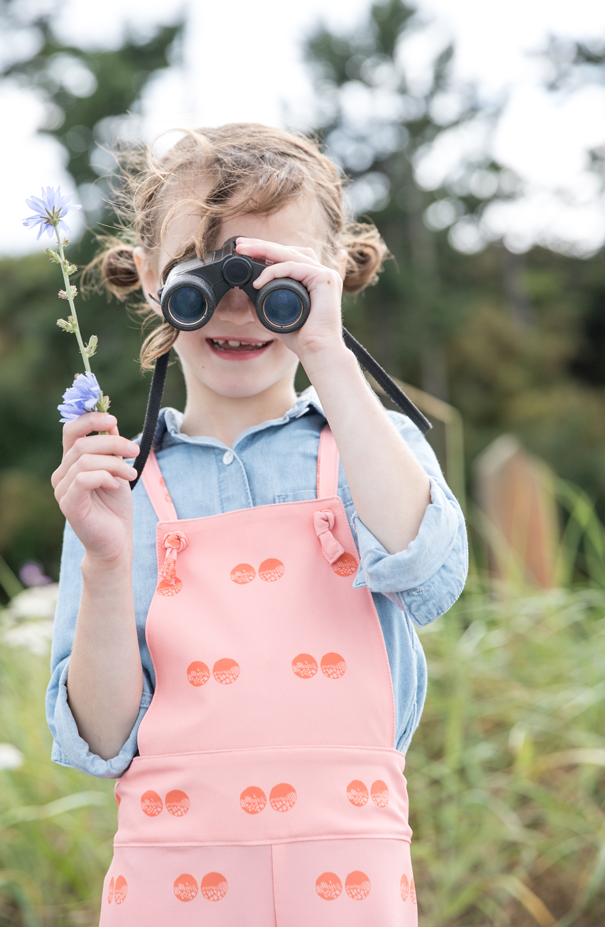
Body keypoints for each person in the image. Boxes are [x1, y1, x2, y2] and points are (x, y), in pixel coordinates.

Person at [46, 124, 468, 925]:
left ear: (333, 277)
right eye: (201, 278)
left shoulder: (369, 445)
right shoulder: (121, 483)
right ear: (149, 279)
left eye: (275, 277)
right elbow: (101, 737)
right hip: (175, 873)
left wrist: (329, 351)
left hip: (347, 867)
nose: (237, 307)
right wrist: (105, 561)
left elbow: (430, 574)